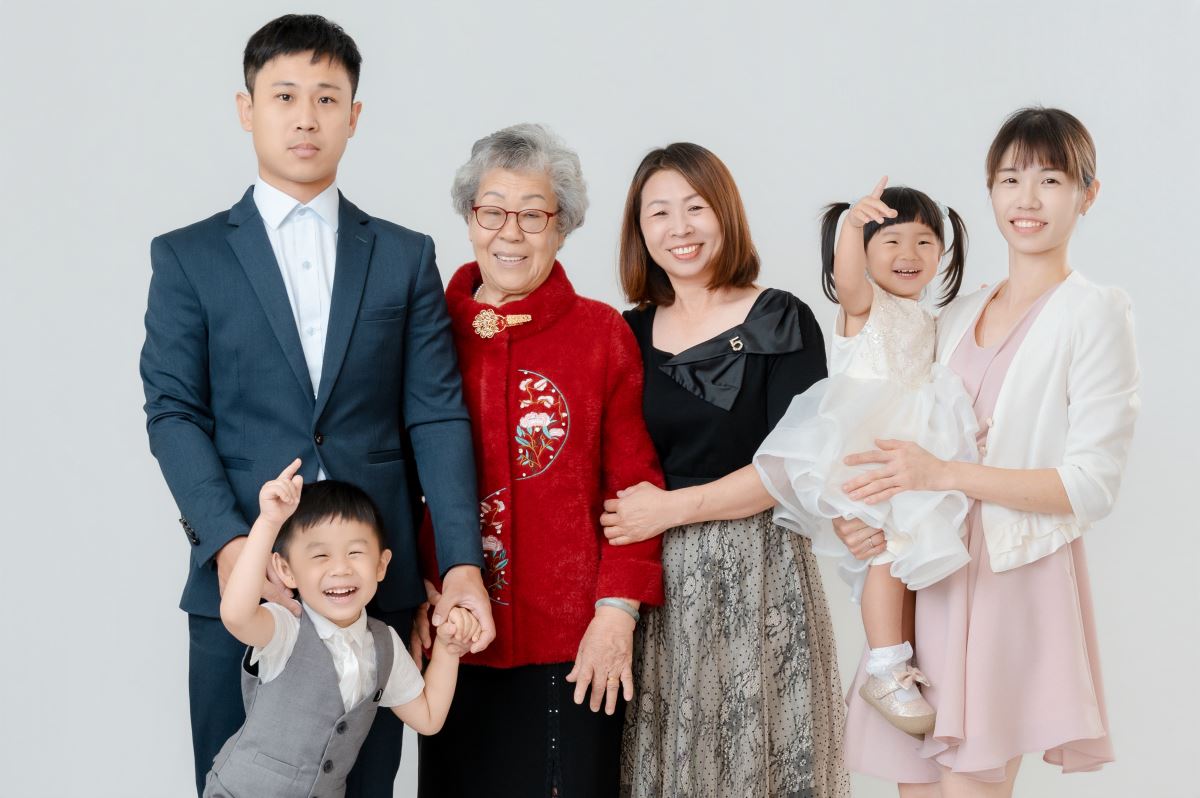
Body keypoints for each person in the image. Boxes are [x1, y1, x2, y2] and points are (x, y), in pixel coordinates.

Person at [139, 15, 492, 796]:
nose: (306, 117)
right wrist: (231, 545)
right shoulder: (189, 256)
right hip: (248, 582)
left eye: (327, 99)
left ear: (354, 116)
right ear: (247, 109)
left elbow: (435, 414)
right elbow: (173, 413)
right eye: (285, 96)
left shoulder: (404, 256)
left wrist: (461, 563)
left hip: (372, 590)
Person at [834, 107, 1139, 797]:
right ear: (990, 190)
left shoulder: (1094, 312)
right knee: (917, 786)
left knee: (970, 786)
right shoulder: (956, 313)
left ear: (1088, 194)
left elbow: (1091, 485)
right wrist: (861, 516)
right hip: (929, 571)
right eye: (1010, 179)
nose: (1027, 199)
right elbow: (888, 421)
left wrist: (945, 473)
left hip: (1012, 573)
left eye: (1050, 180)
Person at [413, 123, 665, 798]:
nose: (511, 233)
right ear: (469, 219)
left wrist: (616, 615)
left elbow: (634, 488)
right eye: (492, 211)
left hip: (575, 640)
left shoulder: (600, 334)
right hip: (450, 631)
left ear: (563, 227)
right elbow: (394, 470)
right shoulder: (426, 330)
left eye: (533, 215)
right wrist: (409, 590)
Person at [602, 142, 850, 797]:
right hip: (657, 583)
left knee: (758, 760)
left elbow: (792, 466)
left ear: (725, 213)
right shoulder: (625, 333)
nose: (679, 228)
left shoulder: (782, 319)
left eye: (696, 207)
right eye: (659, 213)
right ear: (639, 230)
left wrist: (671, 508)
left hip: (760, 571)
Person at [754, 180, 977, 736]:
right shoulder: (866, 307)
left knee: (898, 558)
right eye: (892, 241)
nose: (909, 254)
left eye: (925, 242)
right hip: (869, 451)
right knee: (886, 553)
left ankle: (899, 658)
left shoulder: (930, 318)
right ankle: (885, 667)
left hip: (909, 456)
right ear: (867, 253)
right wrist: (852, 226)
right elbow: (848, 280)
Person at [204, 461, 476, 798]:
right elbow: (236, 615)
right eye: (320, 556)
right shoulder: (287, 628)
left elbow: (429, 717)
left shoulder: (384, 645)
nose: (341, 569)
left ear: (381, 564)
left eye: (355, 552)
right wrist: (268, 523)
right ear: (286, 570)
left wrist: (448, 650)